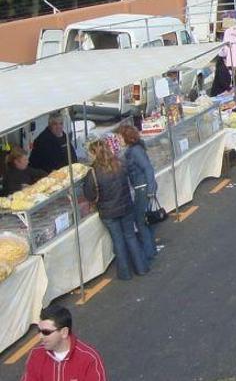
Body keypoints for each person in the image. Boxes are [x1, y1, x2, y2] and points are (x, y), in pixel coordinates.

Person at [83, 139, 149, 280]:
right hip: (126, 206)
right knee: (131, 237)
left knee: (118, 241)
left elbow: (90, 194)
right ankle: (141, 267)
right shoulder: (119, 164)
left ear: (94, 154)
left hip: (108, 212)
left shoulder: (93, 173)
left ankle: (125, 274)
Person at [21, 305, 107, 380]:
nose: (40, 336)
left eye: (46, 332)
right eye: (39, 331)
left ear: (64, 332)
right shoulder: (36, 355)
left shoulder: (89, 359)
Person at [117, 125, 158, 262]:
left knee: (141, 221)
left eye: (119, 137)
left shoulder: (135, 152)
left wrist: (151, 190)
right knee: (145, 219)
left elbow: (148, 169)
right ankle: (151, 248)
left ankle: (148, 252)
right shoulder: (133, 150)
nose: (118, 139)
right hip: (142, 188)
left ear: (126, 137)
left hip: (142, 188)